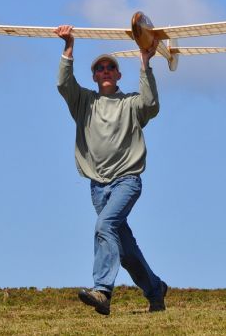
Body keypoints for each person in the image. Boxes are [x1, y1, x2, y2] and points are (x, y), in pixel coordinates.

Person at [54, 24, 167, 315]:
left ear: (118, 74)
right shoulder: (85, 103)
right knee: (125, 249)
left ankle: (102, 291)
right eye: (100, 68)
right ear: (94, 76)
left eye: (110, 67)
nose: (105, 71)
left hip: (127, 181)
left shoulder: (130, 103)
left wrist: (146, 62)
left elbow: (151, 105)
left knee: (104, 227)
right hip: (98, 186)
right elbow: (64, 85)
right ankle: (155, 289)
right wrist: (68, 48)